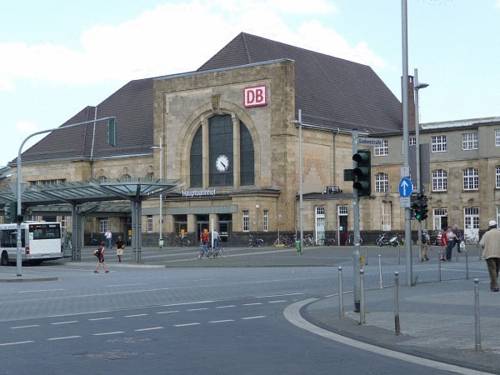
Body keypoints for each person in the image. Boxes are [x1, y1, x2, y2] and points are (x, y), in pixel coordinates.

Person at [479, 220, 500, 292]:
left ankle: (495, 286)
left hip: (489, 254)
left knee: (492, 270)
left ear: (489, 226)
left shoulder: (487, 234)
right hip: (498, 254)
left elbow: (481, 244)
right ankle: (494, 283)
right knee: (496, 269)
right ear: (496, 225)